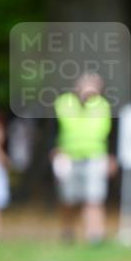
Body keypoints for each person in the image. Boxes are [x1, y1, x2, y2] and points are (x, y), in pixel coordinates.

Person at [50, 73, 114, 244]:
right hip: (68, 156)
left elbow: (111, 133)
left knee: (94, 198)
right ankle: (67, 231)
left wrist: (111, 157)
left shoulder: (103, 106)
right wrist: (54, 150)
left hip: (95, 156)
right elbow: (53, 128)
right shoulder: (63, 103)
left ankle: (94, 235)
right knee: (68, 199)